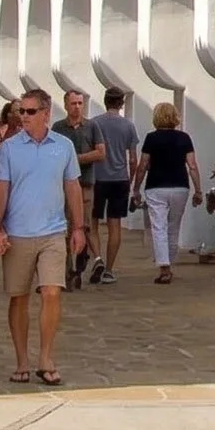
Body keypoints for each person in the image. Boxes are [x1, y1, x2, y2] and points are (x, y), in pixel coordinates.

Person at [0, 91, 85, 385]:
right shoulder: (8, 149)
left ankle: (45, 356)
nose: (24, 117)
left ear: (46, 113)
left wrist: (79, 227)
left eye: (30, 112)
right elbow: (1, 189)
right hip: (18, 234)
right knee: (18, 298)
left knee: (52, 292)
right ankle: (22, 360)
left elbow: (73, 188)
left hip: (53, 232)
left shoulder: (64, 146)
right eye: (21, 111)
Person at [133, 102, 201, 284]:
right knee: (174, 226)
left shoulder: (151, 138)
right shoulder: (184, 138)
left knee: (159, 226)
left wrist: (135, 188)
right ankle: (169, 262)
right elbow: (192, 166)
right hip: (180, 186)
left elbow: (143, 166)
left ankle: (165, 266)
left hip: (156, 186)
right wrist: (198, 190)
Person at [86, 88, 140, 283]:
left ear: (105, 101)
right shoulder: (128, 126)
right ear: (122, 103)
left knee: (92, 221)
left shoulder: (94, 124)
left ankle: (97, 258)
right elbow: (133, 158)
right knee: (114, 224)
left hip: (97, 178)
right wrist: (131, 179)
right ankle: (109, 269)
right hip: (120, 179)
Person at [54, 90, 103, 291]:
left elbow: (101, 152)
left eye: (80, 103)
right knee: (65, 228)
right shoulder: (58, 128)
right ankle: (67, 271)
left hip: (85, 184)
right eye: (73, 103)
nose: (77, 107)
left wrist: (76, 159)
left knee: (83, 224)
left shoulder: (92, 126)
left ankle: (83, 260)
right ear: (66, 105)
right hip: (63, 185)